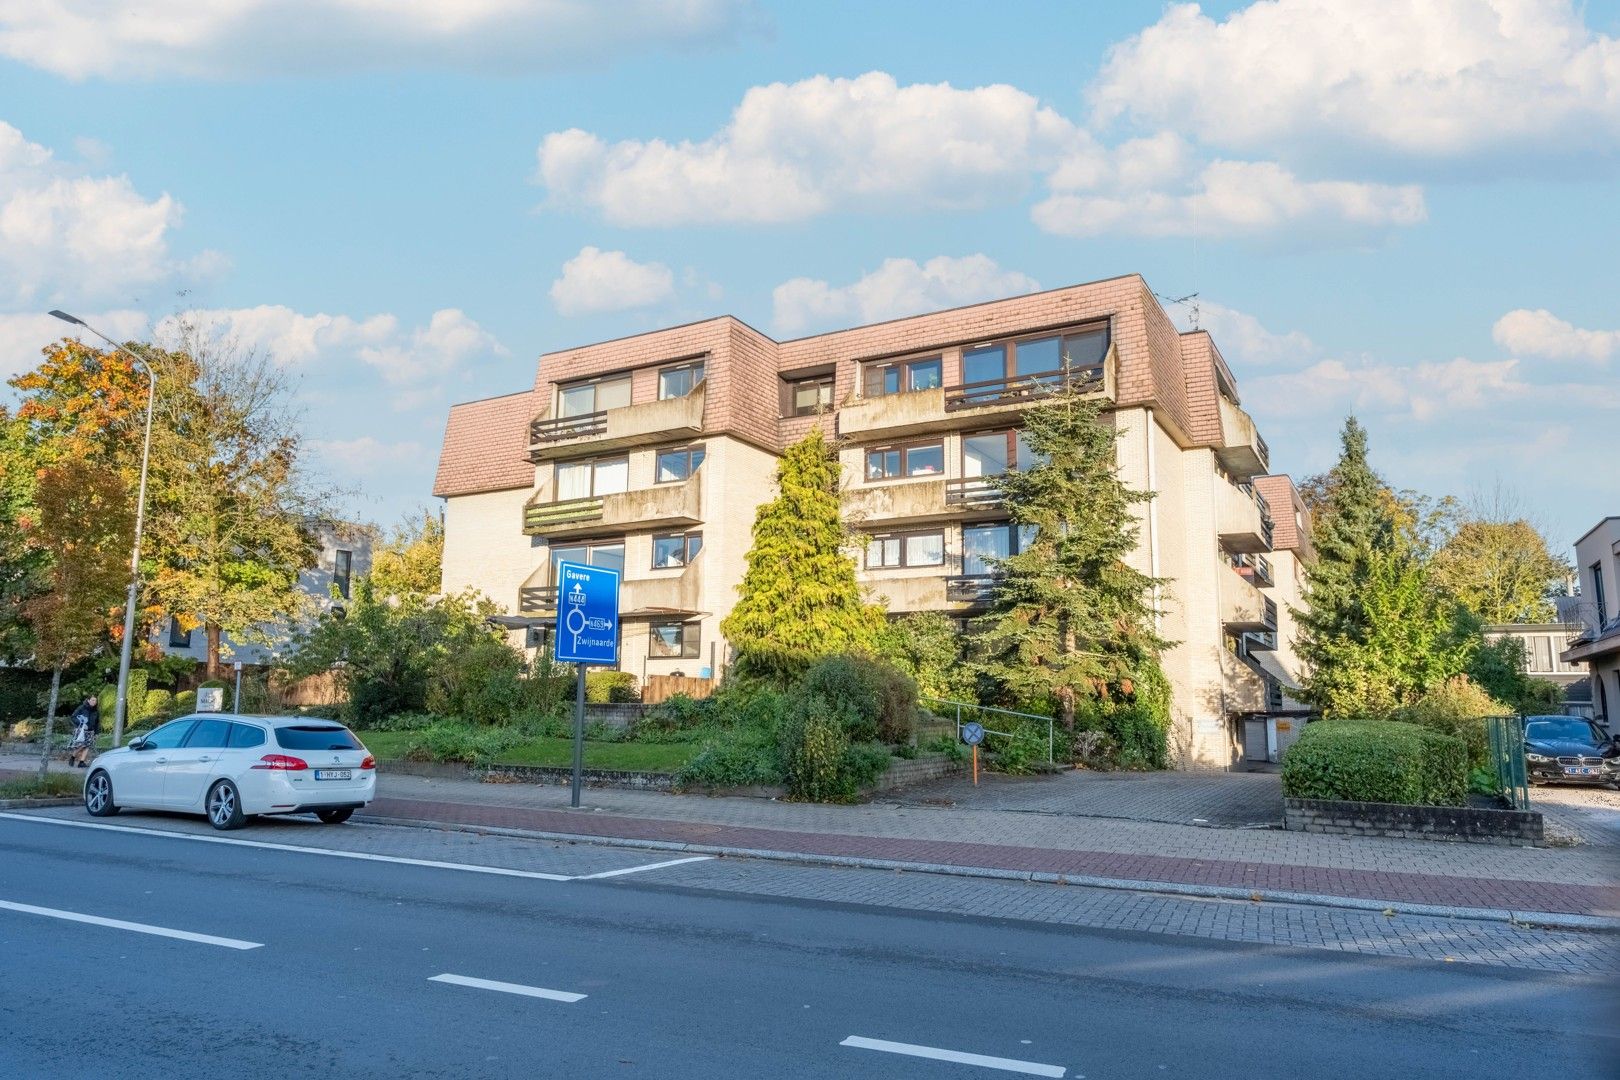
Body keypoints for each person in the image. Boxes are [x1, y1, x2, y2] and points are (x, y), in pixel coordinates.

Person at [68, 695, 99, 768]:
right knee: (81, 745)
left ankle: (81, 762)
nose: (94, 702)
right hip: (81, 730)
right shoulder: (82, 707)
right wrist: (81, 724)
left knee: (87, 746)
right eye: (92, 700)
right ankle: (72, 757)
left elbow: (97, 722)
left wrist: (96, 733)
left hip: (90, 731)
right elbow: (73, 717)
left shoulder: (96, 711)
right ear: (88, 700)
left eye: (95, 701)